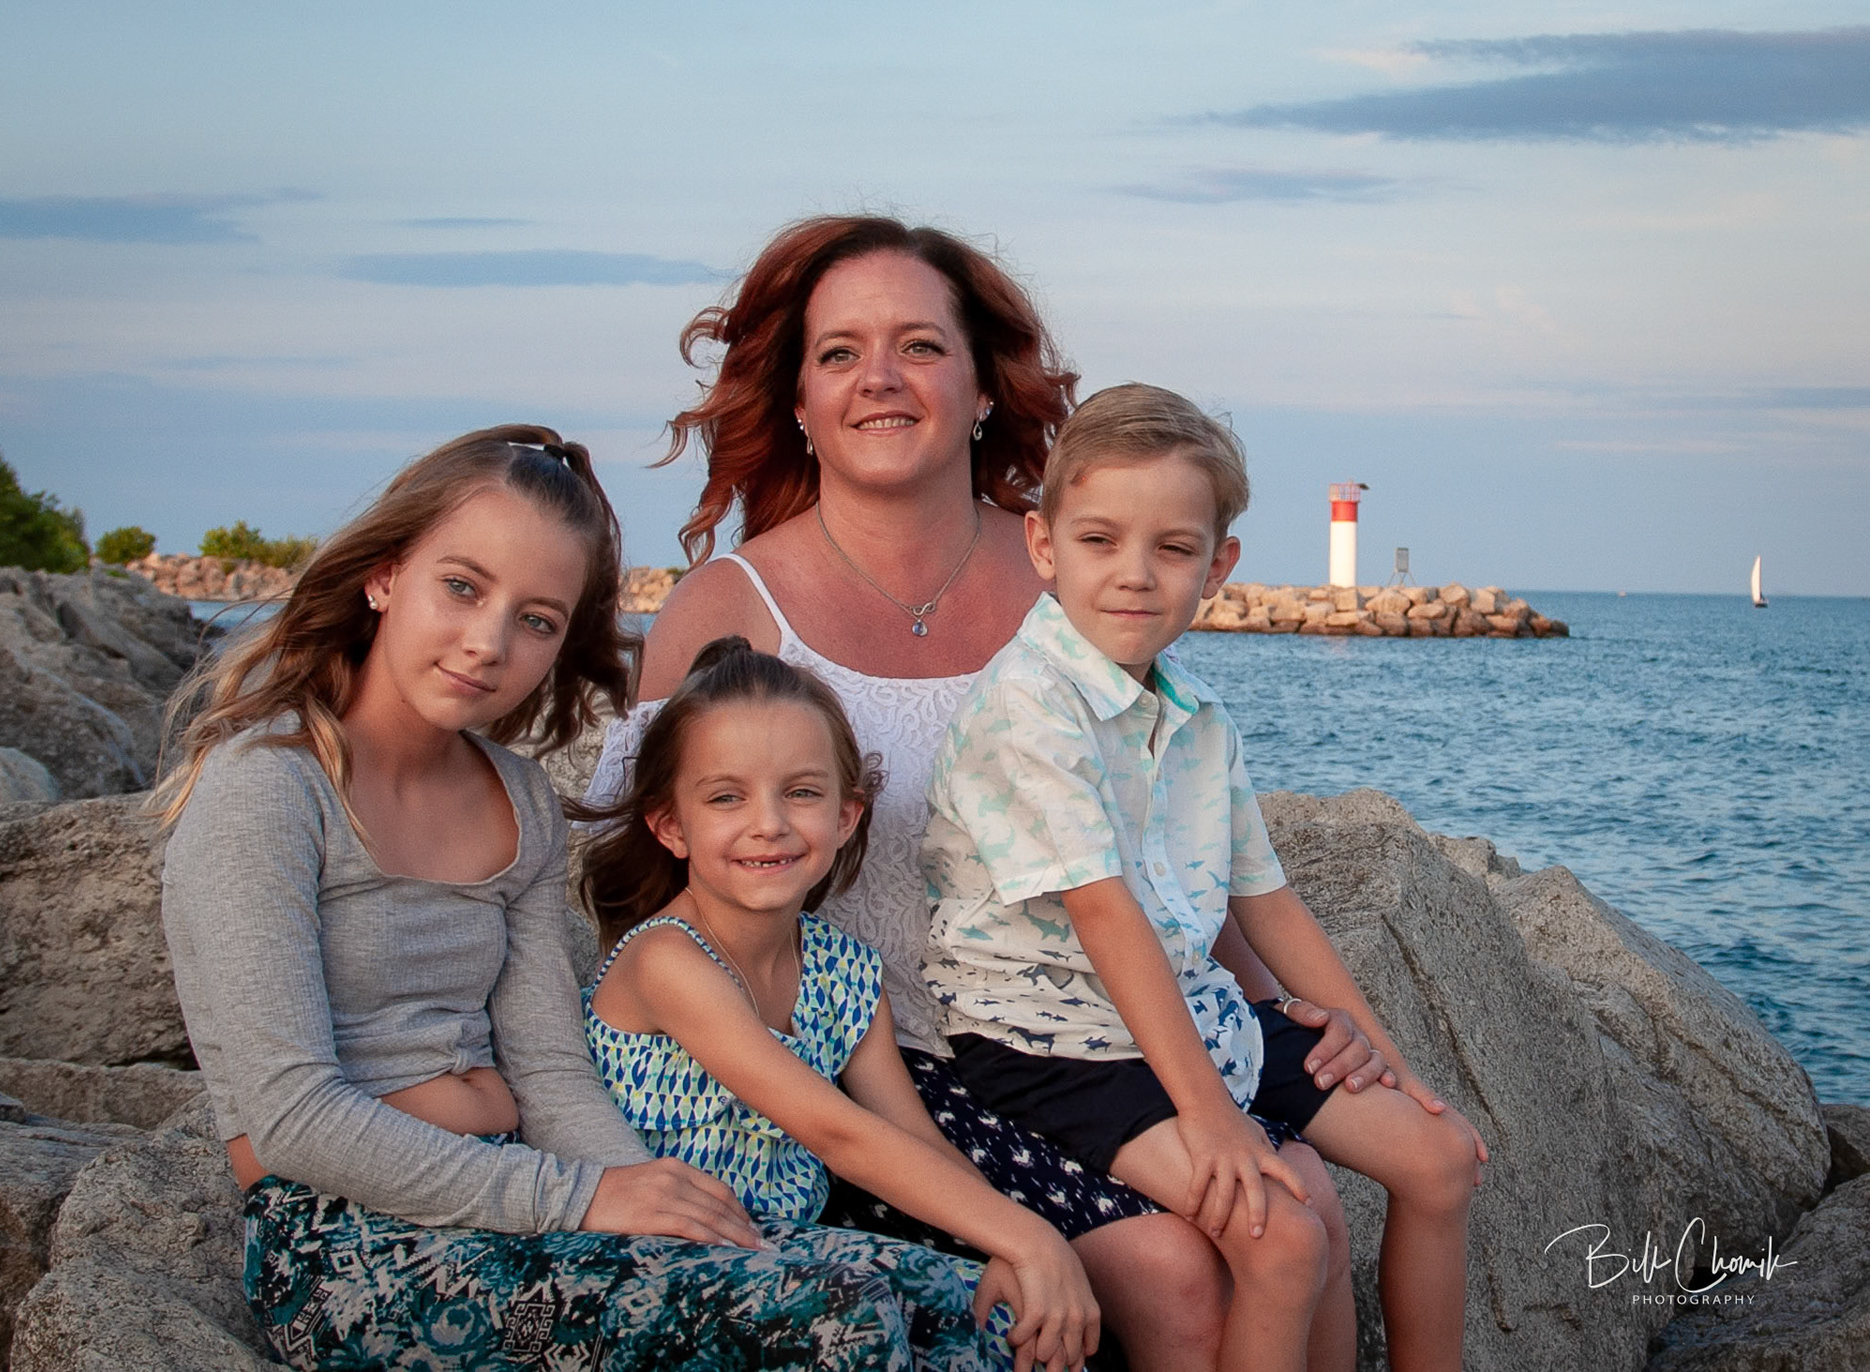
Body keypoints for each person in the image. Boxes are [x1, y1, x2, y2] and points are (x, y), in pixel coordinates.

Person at [591, 215, 1391, 1371]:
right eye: (839, 353)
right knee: (1178, 1274)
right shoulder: (726, 608)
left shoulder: (1078, 570)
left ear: (979, 389)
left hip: (1104, 1036)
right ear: (801, 399)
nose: (880, 377)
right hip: (888, 1078)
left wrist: (1275, 1013)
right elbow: (645, 889)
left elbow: (1161, 823)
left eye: (919, 345)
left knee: (1302, 1202)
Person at [155, 424, 972, 1371]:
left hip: (517, 1181)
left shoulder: (517, 800)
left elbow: (547, 1067)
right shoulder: (269, 788)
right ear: (384, 576)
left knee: (958, 1299)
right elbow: (292, 1115)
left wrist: (641, 1191)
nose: (487, 643)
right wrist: (584, 1198)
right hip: (352, 1236)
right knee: (837, 1315)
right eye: (462, 587)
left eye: (538, 620)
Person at [923, 384, 1486, 1372]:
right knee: (1282, 1236)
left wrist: (1385, 1054)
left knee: (1440, 1159)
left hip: (1187, 1011)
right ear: (1044, 545)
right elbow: (1103, 913)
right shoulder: (1028, 706)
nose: (1135, 574)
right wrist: (1214, 1118)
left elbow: (1266, 899)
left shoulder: (1198, 713)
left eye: (1174, 549)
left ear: (1218, 568)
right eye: (1100, 540)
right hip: (1052, 1042)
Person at [580, 636, 1100, 1372]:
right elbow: (836, 1133)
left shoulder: (845, 971)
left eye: (801, 792)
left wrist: (1004, 1244)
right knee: (862, 1316)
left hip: (785, 1252)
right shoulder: (668, 961)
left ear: (847, 816)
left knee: (1004, 1318)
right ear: (671, 826)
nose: (769, 822)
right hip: (655, 1255)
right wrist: (1031, 1237)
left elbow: (911, 1135)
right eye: (726, 797)